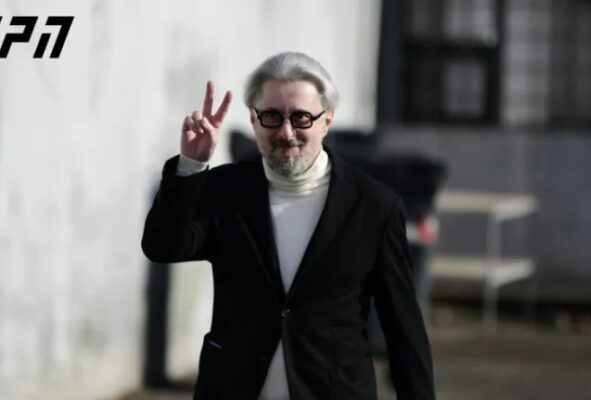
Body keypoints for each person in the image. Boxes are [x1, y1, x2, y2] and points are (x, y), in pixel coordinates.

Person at [142, 52, 435, 400]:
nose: (286, 132)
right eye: (271, 116)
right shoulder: (225, 189)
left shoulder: (374, 207)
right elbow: (163, 247)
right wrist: (190, 166)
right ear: (254, 121)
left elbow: (403, 329)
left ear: (327, 120)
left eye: (301, 117)